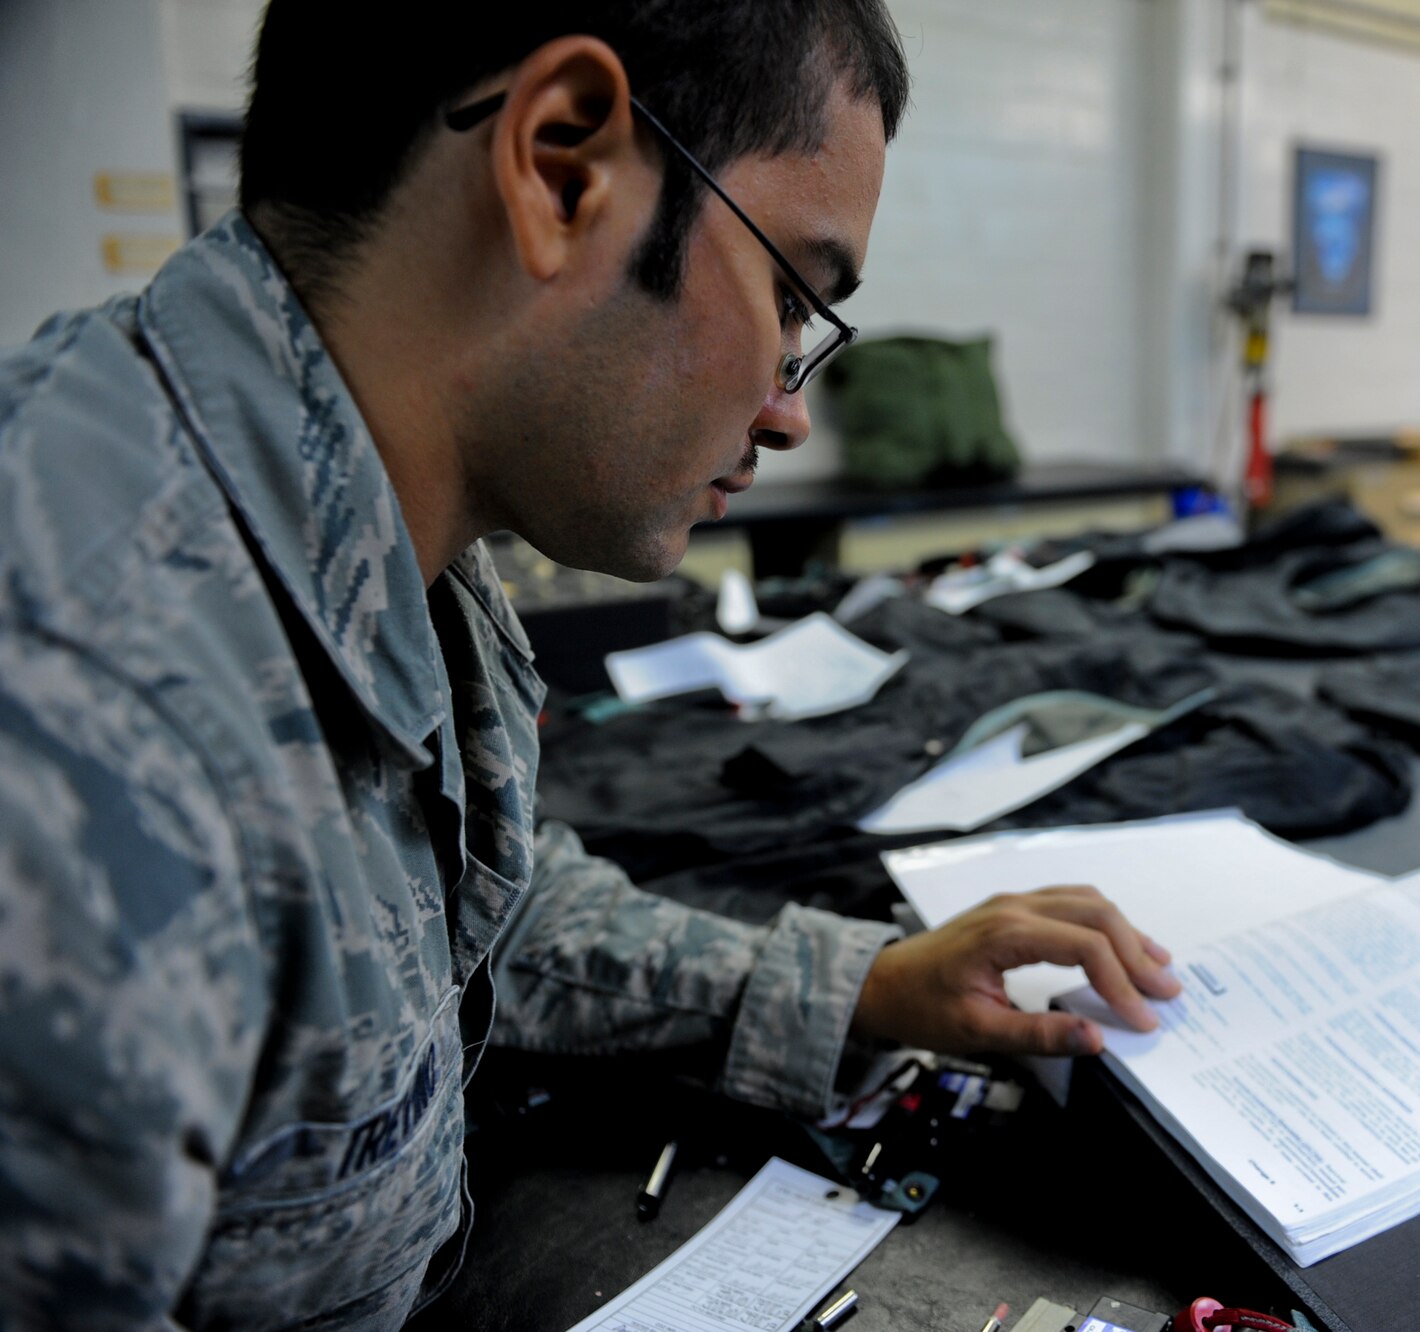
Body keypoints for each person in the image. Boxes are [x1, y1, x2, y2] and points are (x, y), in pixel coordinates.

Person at [0, 3, 1181, 1326]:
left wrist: (866, 988)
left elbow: (448, 915)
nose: (791, 409)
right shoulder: (77, 716)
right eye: (790, 292)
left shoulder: (376, 536)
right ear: (562, 165)